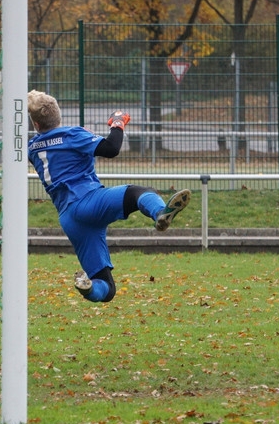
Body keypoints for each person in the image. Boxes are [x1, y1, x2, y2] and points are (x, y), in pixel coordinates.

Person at [26, 90, 191, 303]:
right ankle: (160, 212)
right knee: (137, 193)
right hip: (89, 202)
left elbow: (56, 149)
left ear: (37, 125)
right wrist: (117, 123)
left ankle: (89, 288)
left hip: (69, 218)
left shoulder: (32, 148)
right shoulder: (72, 135)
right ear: (59, 116)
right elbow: (112, 148)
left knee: (107, 288)